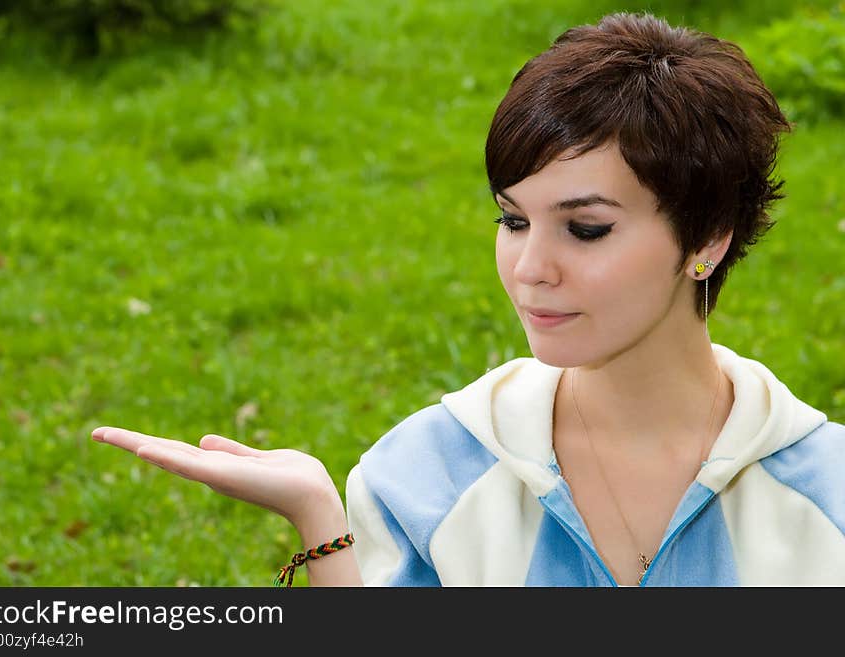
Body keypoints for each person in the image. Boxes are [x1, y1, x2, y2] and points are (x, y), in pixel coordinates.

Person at [91, 11, 845, 587]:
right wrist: (319, 517)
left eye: (584, 228)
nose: (529, 268)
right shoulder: (423, 475)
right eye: (513, 220)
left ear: (708, 240)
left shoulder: (825, 496)